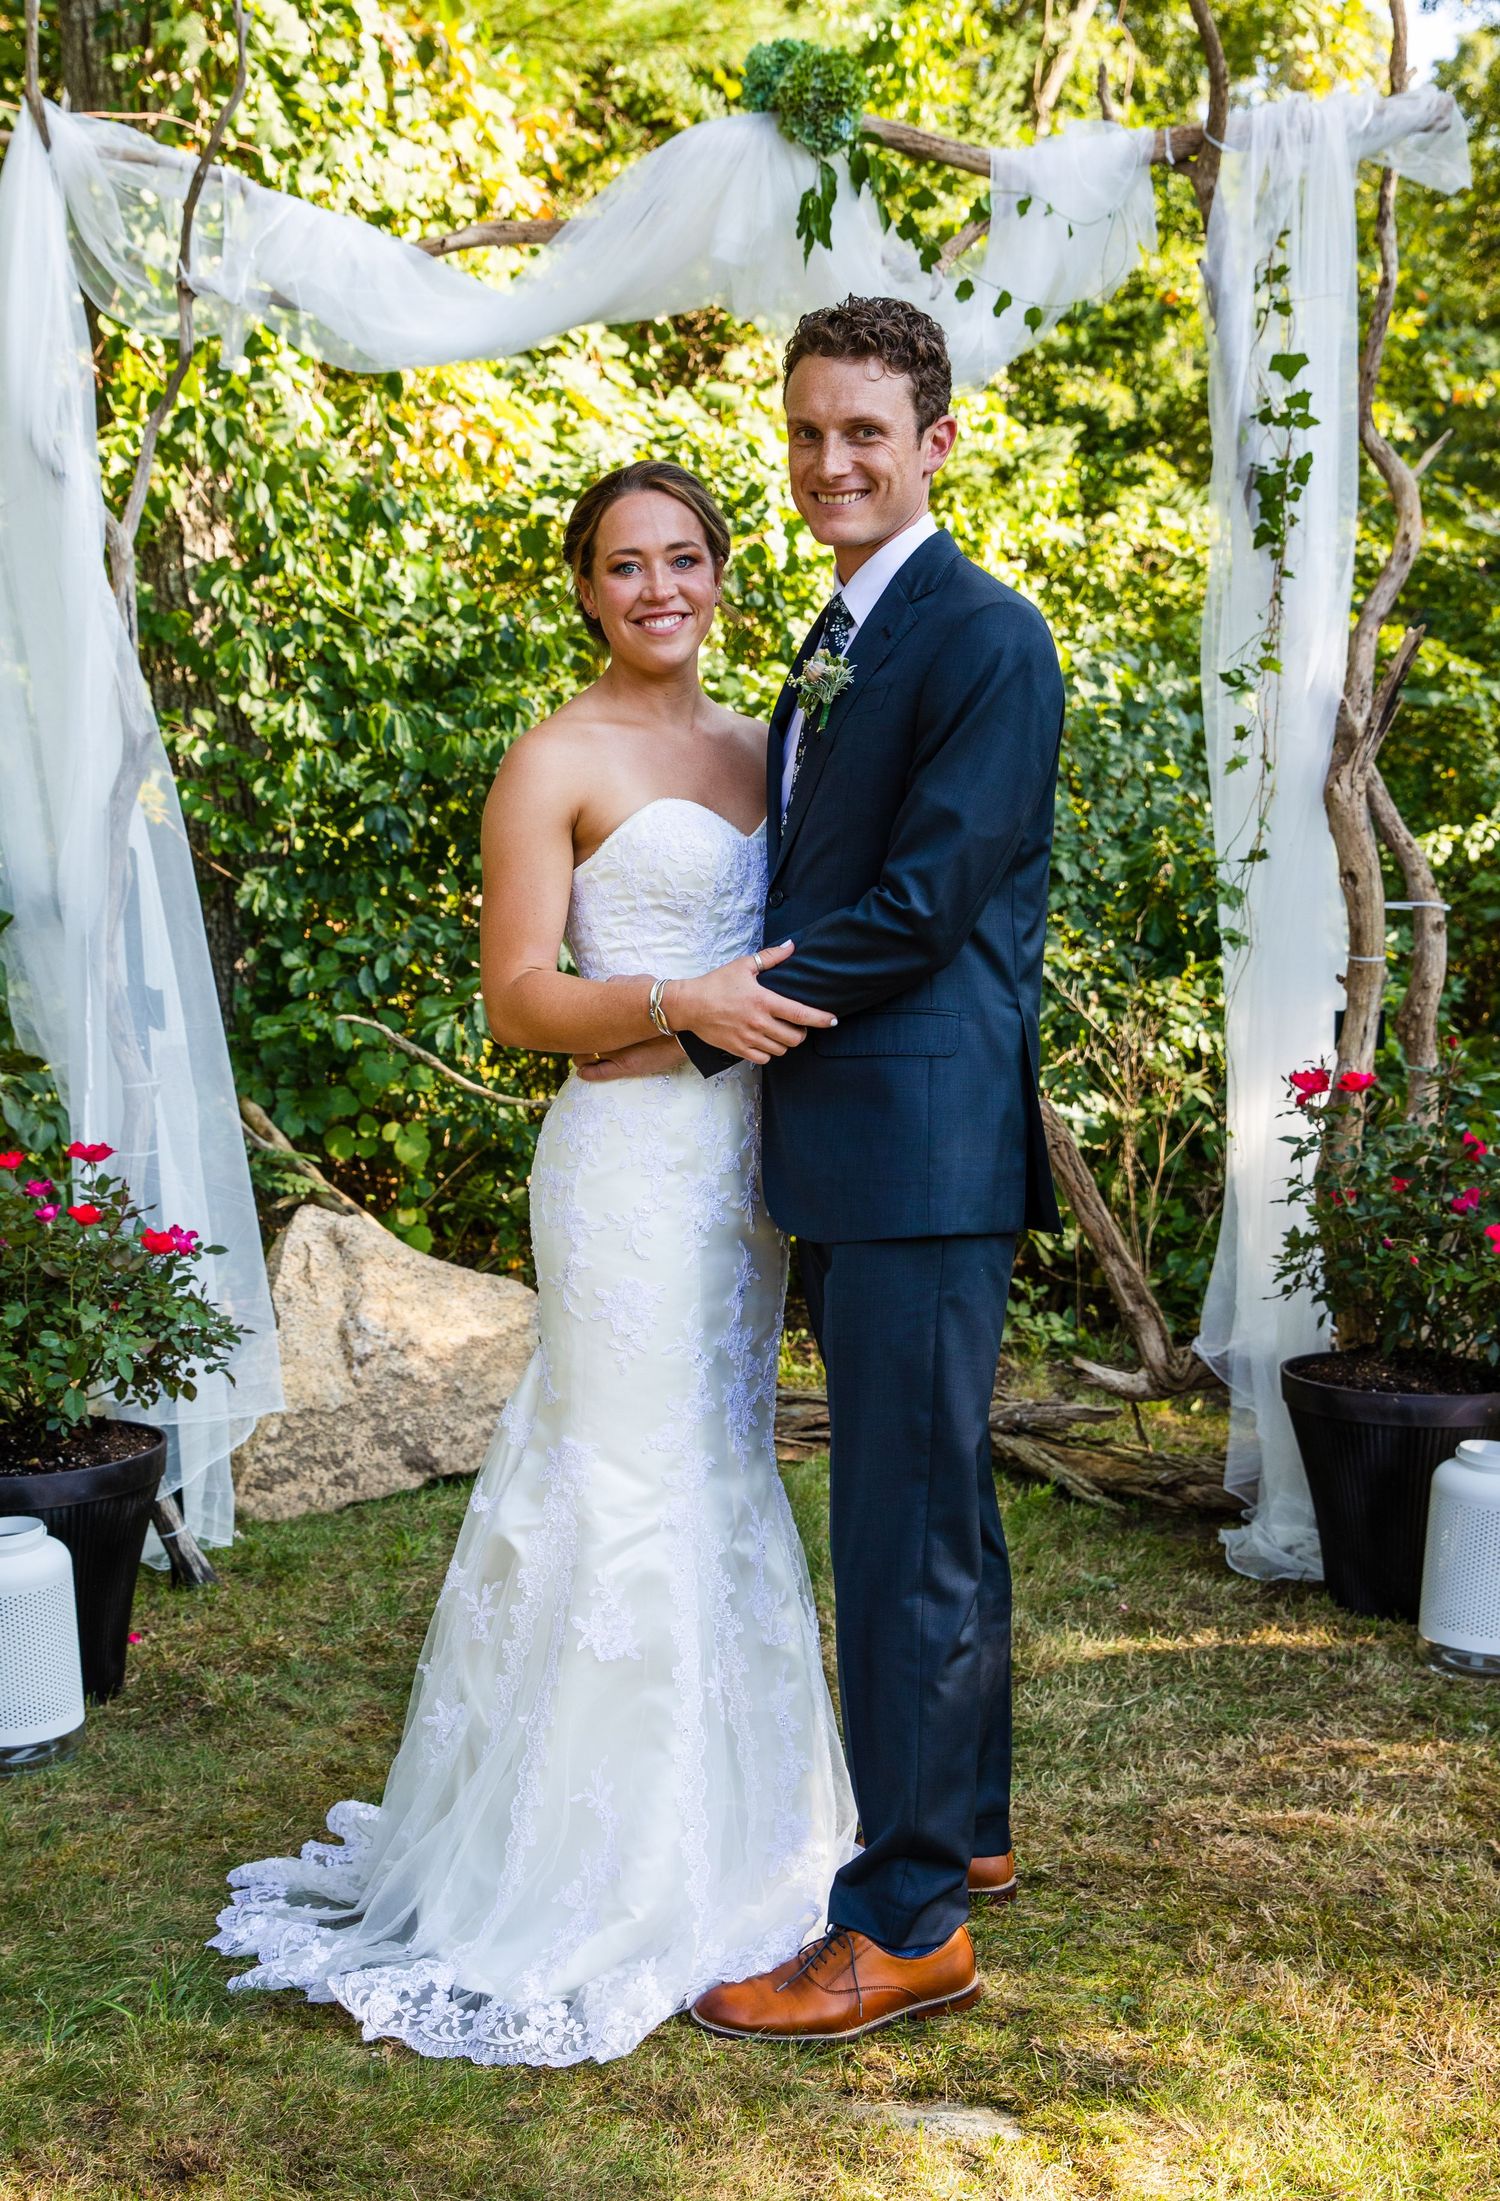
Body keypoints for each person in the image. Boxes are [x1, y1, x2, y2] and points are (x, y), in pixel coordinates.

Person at [210, 459, 857, 2067]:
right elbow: (515, 1000)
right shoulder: (551, 757)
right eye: (626, 565)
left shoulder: (768, 744)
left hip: (742, 1175)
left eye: (686, 559)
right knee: (620, 1476)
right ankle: (591, 1870)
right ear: (585, 586)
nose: (661, 589)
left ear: (720, 572)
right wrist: (675, 1000)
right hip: (628, 1169)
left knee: (721, 1468)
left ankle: (750, 1839)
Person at [582, 297, 1065, 2043]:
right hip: (859, 1141)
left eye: (866, 431)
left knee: (903, 1532)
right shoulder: (841, 629)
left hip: (921, 1139)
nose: (831, 461)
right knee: (935, 1506)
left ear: (939, 440)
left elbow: (923, 903)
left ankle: (906, 1917)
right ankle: (976, 1828)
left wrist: (703, 1024)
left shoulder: (986, 637)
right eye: (807, 433)